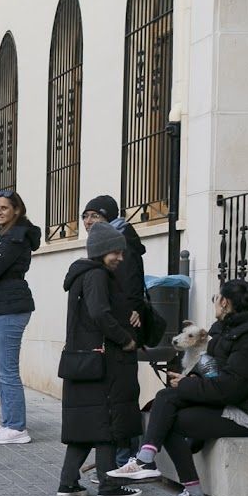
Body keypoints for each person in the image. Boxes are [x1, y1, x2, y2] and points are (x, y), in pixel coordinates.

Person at [109, 279, 248, 496]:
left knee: (171, 417)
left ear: (224, 302)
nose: (215, 302)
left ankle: (189, 492)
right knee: (166, 398)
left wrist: (188, 384)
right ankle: (149, 461)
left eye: (217, 298)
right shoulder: (225, 329)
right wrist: (190, 380)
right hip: (233, 402)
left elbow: (230, 388)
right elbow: (214, 371)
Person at [55, 222, 144, 496]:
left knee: (83, 427)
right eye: (115, 252)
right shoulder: (97, 275)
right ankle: (109, 485)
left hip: (83, 361)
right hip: (101, 362)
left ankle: (68, 484)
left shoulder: (83, 275)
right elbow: (100, 313)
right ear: (101, 251)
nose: (120, 257)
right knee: (106, 423)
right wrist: (125, 339)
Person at [82, 195, 151, 464]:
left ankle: (126, 459)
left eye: (95, 216)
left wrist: (129, 320)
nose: (89, 222)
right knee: (118, 396)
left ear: (108, 217)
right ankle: (122, 457)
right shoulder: (106, 247)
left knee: (121, 396)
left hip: (123, 329)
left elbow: (130, 288)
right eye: (85, 216)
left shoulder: (121, 246)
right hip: (117, 328)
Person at [0, 188, 41, 444]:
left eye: (4, 208)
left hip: (10, 307)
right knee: (0, 369)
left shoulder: (14, 238)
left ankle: (16, 427)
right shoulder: (5, 237)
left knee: (5, 370)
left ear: (17, 210)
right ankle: (8, 424)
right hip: (3, 306)